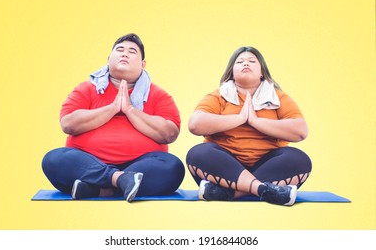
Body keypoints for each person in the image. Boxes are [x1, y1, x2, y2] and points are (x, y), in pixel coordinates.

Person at [42, 33, 185, 202]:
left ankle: (98, 188)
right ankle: (121, 181)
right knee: (53, 159)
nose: (125, 54)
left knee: (172, 167)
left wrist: (130, 110)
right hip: (87, 163)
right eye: (120, 50)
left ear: (143, 64)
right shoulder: (86, 89)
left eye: (132, 51)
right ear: (109, 58)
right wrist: (112, 108)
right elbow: (68, 124)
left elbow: (169, 134)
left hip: (140, 165)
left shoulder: (159, 95)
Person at [186, 46, 312, 206]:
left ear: (261, 72)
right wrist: (239, 118)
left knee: (299, 159)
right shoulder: (218, 95)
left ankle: (229, 192)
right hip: (226, 168)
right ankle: (263, 190)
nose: (246, 64)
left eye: (252, 61)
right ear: (232, 72)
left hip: (268, 166)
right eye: (240, 62)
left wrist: (256, 121)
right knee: (198, 153)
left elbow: (300, 131)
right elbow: (195, 124)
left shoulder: (279, 97)